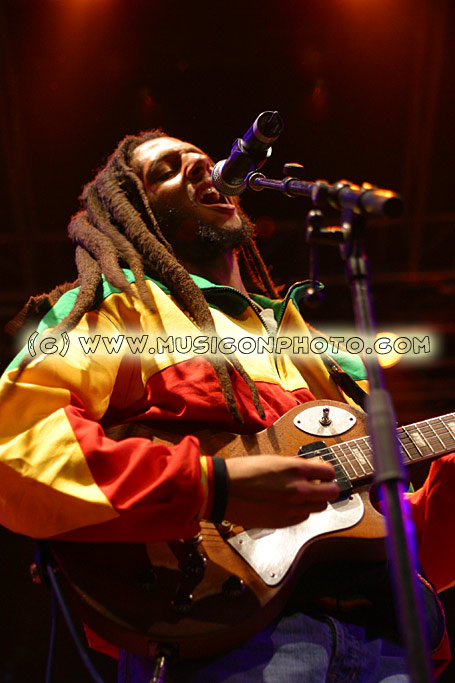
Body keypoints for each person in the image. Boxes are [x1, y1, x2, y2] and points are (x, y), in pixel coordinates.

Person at [0, 130, 452, 681]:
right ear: (136, 214)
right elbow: (20, 446)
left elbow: (384, 530)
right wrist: (207, 484)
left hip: (387, 641)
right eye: (166, 170)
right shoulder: (113, 310)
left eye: (200, 158)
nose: (200, 165)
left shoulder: (317, 347)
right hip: (224, 635)